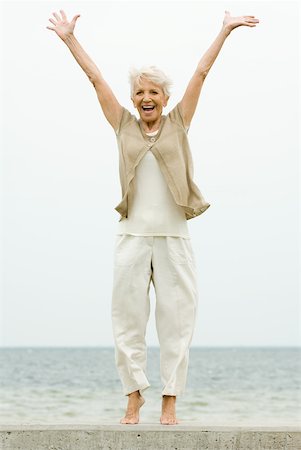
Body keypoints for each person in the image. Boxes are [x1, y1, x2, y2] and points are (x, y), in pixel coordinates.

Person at [47, 9, 259, 425]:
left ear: (165, 98)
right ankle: (133, 396)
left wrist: (225, 30)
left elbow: (200, 74)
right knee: (127, 320)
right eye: (140, 92)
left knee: (176, 324)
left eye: (155, 93)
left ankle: (169, 400)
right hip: (132, 237)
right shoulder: (122, 125)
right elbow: (96, 80)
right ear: (133, 98)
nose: (147, 98)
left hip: (174, 239)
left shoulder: (179, 124)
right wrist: (69, 40)